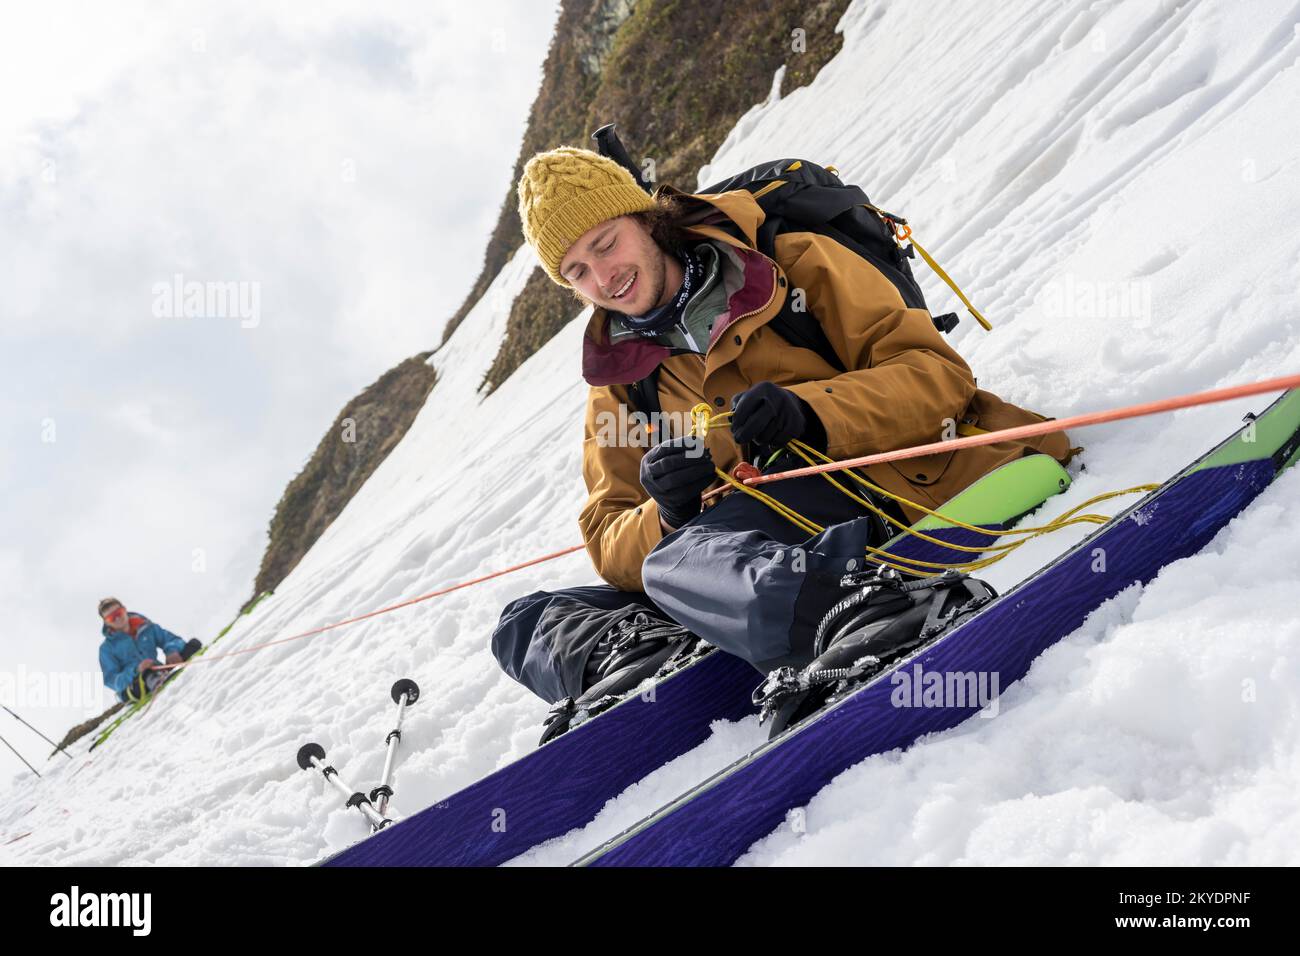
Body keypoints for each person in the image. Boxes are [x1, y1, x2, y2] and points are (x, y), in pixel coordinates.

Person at [492, 145, 1073, 705]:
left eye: (605, 242)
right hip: (742, 541)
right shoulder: (618, 382)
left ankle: (870, 613)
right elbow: (608, 536)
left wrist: (813, 413)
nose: (603, 277)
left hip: (880, 480)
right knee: (525, 624)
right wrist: (666, 513)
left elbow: (937, 377)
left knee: (679, 564)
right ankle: (658, 655)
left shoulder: (791, 260)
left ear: (644, 218)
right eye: (577, 271)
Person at [97, 597, 202, 703]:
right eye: (111, 618)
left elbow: (171, 639)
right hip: (133, 685)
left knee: (193, 645)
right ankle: (158, 683)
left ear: (124, 609)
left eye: (118, 613)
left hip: (158, 669)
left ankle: (164, 676)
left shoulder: (146, 627)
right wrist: (136, 670)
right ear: (106, 623)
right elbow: (111, 680)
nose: (117, 618)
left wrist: (171, 651)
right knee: (147, 674)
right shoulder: (106, 649)